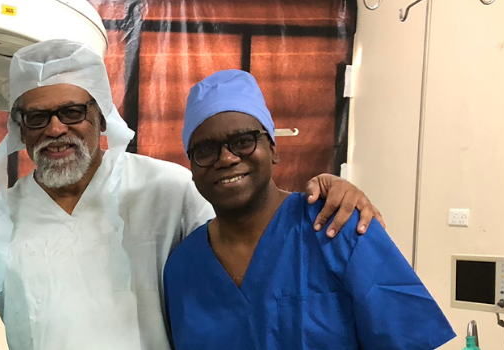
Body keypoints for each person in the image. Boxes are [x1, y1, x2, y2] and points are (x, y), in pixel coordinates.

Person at [0, 39, 385, 350]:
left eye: (72, 112)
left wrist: (327, 190)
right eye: (36, 117)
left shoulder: (166, 187)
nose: (55, 129)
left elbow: (250, 235)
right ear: (20, 130)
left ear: (101, 118)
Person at [163, 69, 454, 349]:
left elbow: (405, 337)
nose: (226, 158)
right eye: (205, 150)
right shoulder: (183, 268)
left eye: (243, 142)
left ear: (273, 148)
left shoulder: (338, 226)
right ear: (191, 165)